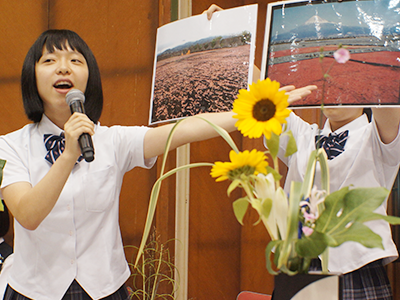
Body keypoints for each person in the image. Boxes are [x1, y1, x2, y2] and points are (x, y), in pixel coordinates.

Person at [0, 29, 315, 300]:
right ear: (32, 76)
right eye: (49, 61)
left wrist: (263, 108)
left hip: (105, 289)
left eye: (75, 60)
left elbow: (186, 129)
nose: (63, 68)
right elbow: (27, 215)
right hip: (33, 291)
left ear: (89, 77)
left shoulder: (113, 141)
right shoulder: (9, 145)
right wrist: (69, 155)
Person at [205, 3, 400, 300]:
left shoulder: (380, 138)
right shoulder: (302, 136)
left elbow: (388, 96)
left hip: (356, 274)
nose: (335, 90)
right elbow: (259, 90)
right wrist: (230, 33)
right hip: (297, 269)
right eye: (328, 82)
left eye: (345, 82)